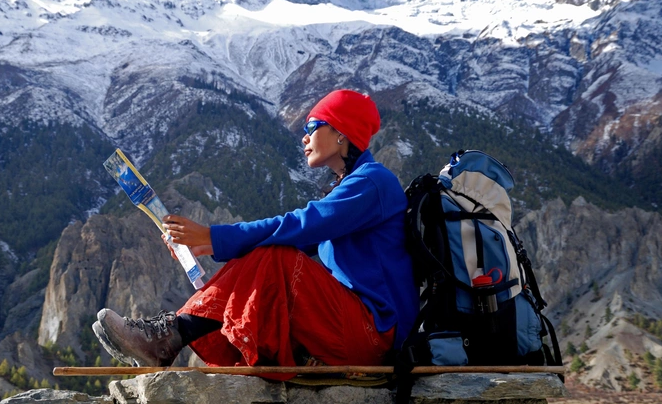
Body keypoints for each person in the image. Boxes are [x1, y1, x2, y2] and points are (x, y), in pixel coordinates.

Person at [92, 89, 419, 376]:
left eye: (312, 127)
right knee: (271, 254)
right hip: (354, 328)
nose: (304, 137)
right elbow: (296, 238)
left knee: (277, 256)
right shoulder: (356, 185)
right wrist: (207, 244)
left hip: (375, 336)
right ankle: (169, 336)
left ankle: (169, 337)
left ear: (340, 132)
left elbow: (300, 226)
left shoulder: (373, 183)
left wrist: (211, 236)